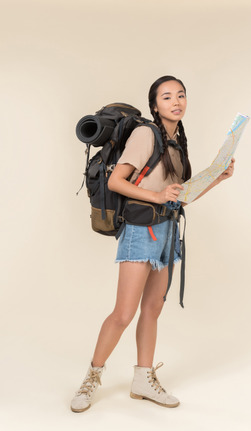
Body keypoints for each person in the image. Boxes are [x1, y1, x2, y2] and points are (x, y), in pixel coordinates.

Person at [70, 76, 235, 412]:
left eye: (181, 95)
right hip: (140, 230)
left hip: (168, 230)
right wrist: (157, 195)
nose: (176, 101)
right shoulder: (147, 134)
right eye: (167, 96)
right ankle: (91, 378)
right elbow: (117, 181)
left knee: (152, 310)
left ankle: (142, 379)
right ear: (155, 105)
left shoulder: (177, 141)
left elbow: (179, 199)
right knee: (123, 313)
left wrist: (216, 178)